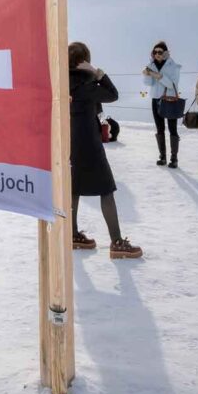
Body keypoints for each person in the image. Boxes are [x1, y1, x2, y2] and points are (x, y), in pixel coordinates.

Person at [69, 42, 142, 259]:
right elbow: (113, 94)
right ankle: (117, 242)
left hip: (69, 143)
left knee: (74, 188)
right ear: (85, 60)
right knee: (106, 188)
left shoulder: (62, 82)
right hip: (89, 144)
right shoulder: (86, 84)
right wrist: (97, 73)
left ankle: (72, 235)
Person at [142, 41, 182, 168]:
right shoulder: (151, 65)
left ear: (165, 53)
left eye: (160, 52)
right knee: (159, 128)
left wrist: (157, 75)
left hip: (169, 99)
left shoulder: (173, 66)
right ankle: (162, 156)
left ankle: (174, 158)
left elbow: (171, 84)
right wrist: (147, 74)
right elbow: (148, 83)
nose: (157, 54)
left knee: (172, 129)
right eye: (155, 52)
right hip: (156, 99)